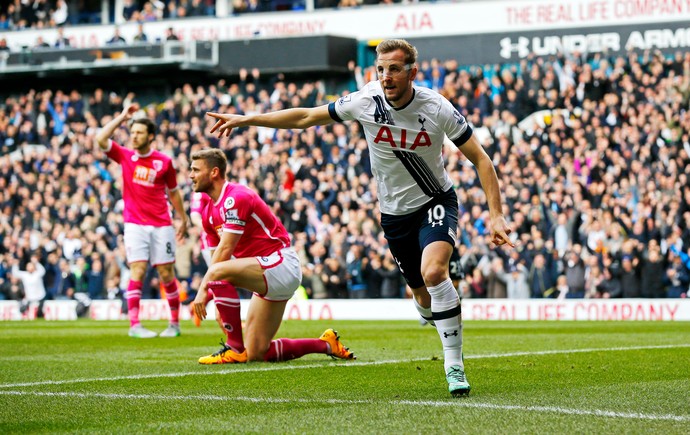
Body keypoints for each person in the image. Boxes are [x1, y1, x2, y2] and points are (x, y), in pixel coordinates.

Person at [206, 38, 513, 397]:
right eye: (381, 69)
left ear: (413, 72)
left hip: (435, 200)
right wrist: (249, 120)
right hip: (394, 215)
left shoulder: (436, 107)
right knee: (423, 296)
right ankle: (430, 311)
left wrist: (497, 216)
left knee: (434, 272)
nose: (386, 76)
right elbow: (307, 117)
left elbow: (481, 159)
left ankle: (454, 365)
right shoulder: (365, 101)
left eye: (395, 69)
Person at [190, 148, 355, 364]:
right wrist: (218, 300)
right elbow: (215, 261)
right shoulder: (208, 215)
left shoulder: (236, 197)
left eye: (195, 170)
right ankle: (326, 344)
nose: (191, 175)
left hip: (281, 263)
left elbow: (223, 253)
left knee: (218, 271)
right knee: (257, 352)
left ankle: (233, 348)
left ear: (213, 172)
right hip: (266, 272)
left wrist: (205, 291)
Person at [95, 103, 188, 338]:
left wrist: (183, 218)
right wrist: (122, 117)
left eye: (138, 132)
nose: (133, 136)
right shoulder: (125, 155)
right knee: (137, 269)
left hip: (162, 224)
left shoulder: (164, 162)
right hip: (134, 224)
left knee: (166, 274)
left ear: (151, 136)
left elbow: (174, 192)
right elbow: (100, 138)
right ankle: (135, 325)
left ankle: (174, 324)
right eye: (132, 132)